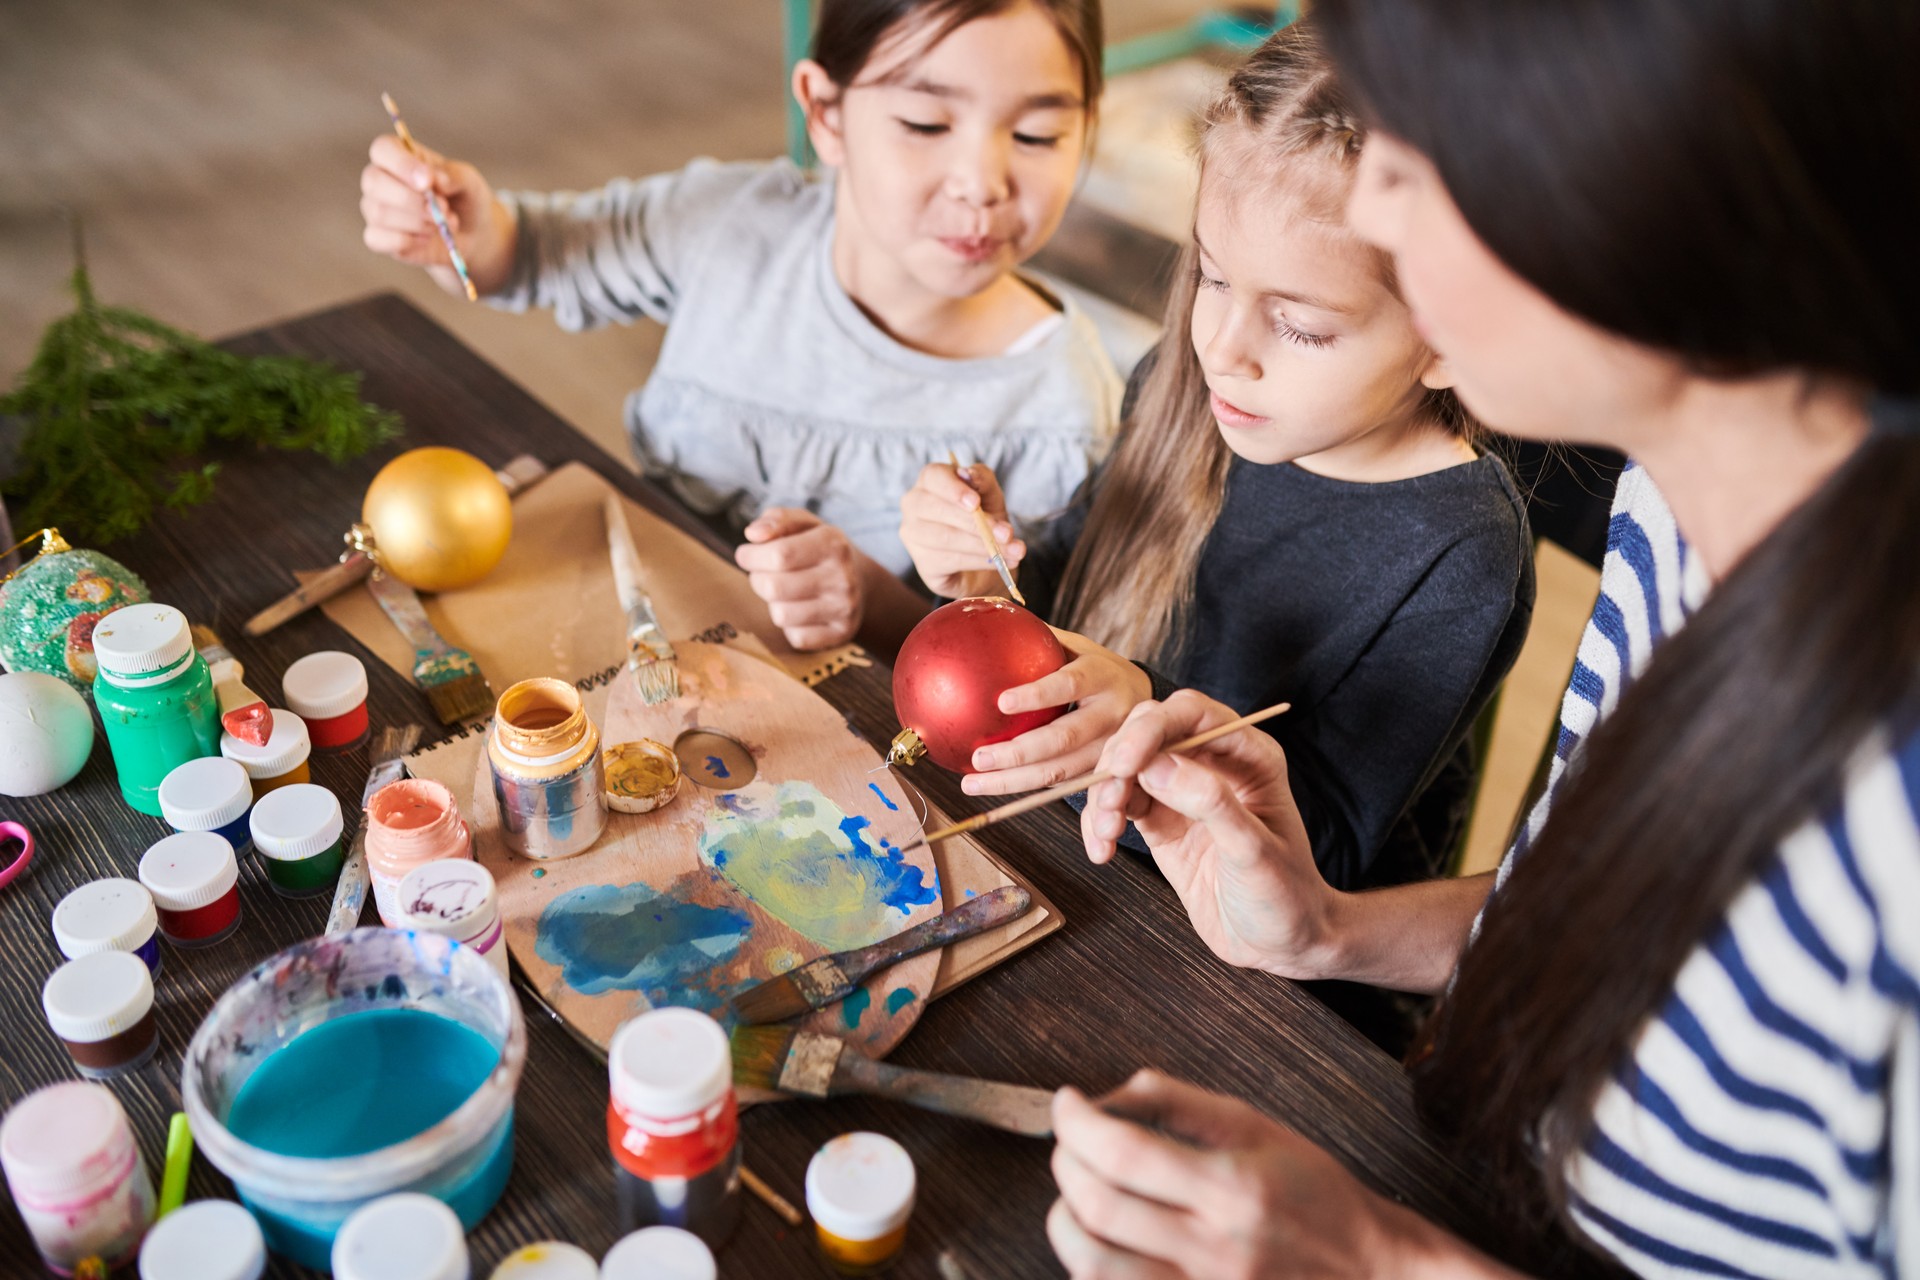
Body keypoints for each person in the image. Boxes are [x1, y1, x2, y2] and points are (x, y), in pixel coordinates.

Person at [1047, 0, 1919, 1275]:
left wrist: (1378, 1260)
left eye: (1412, 165)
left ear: (1639, 191)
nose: (1379, 221)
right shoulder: (1674, 505)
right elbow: (1619, 923)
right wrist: (1328, 928)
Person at [897, 25, 1533, 892]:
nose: (1222, 347)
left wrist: (1150, 724)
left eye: (1301, 325)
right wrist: (984, 586)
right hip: (1073, 852)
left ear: (1455, 340)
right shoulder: (1187, 386)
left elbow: (1332, 850)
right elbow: (1067, 584)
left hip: (1252, 960)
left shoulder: (1462, 552)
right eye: (1212, 275)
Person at [357, 0, 1120, 594]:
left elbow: (1026, 665)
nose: (982, 184)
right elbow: (534, 253)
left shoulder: (1061, 417)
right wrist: (467, 227)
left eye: (1038, 136)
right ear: (825, 113)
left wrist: (876, 597)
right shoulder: (731, 224)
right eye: (925, 122)